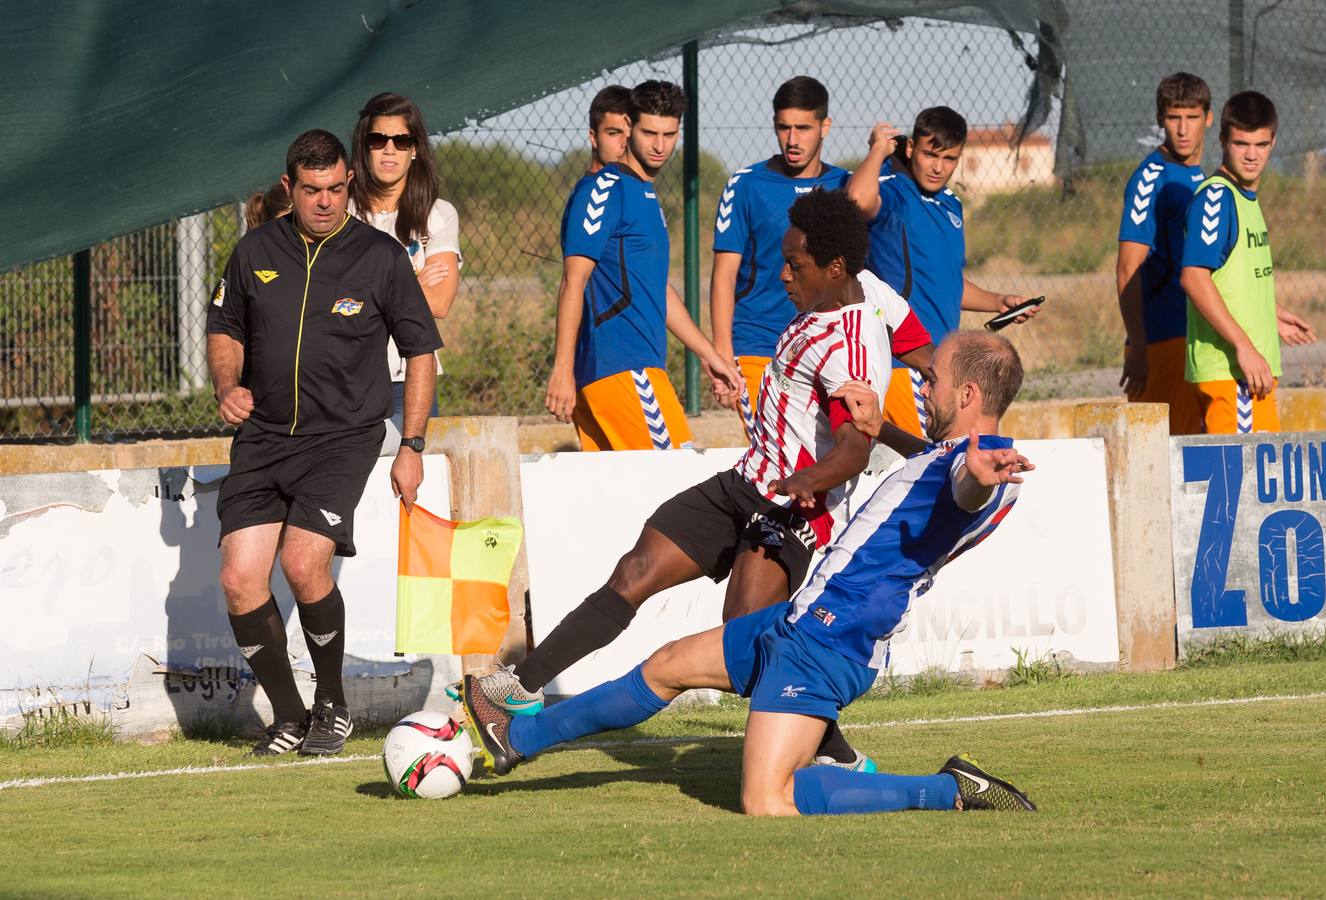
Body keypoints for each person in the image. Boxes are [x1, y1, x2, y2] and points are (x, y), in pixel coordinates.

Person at [463, 330, 1036, 818]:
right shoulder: (962, 455)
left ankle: (946, 789)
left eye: (931, 379)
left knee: (767, 801)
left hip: (827, 644)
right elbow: (942, 468)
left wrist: (979, 476)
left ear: (967, 393)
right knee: (665, 667)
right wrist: (885, 428)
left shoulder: (979, 468)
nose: (923, 386)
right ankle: (514, 739)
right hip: (800, 622)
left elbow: (965, 484)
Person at [473, 188, 932, 771]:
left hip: (795, 512)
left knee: (740, 644)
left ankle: (830, 749)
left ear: (835, 267)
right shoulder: (859, 291)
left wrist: (808, 478)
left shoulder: (850, 349)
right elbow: (920, 348)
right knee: (635, 570)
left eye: (796, 265)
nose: (783, 275)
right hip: (744, 482)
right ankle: (514, 688)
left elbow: (852, 449)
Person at [206, 129, 441, 756]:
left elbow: (421, 351)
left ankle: (332, 705)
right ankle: (288, 716)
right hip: (262, 439)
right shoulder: (253, 249)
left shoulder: (380, 256)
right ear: (290, 187)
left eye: (338, 189)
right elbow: (225, 327)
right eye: (313, 191)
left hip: (342, 440)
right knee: (238, 579)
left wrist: (412, 445)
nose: (327, 202)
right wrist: (228, 384)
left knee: (304, 563)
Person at [544, 80, 742, 450]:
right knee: (673, 483)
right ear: (629, 127)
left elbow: (655, 288)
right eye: (649, 132)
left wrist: (708, 354)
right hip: (621, 365)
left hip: (631, 367)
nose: (659, 145)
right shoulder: (604, 189)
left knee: (629, 498)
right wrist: (561, 369)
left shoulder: (644, 193)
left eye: (669, 134)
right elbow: (573, 282)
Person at [846, 107, 1038, 439]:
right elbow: (857, 201)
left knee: (931, 466)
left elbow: (947, 280)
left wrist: (998, 301)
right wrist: (878, 148)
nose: (938, 167)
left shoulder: (951, 204)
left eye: (949, 158)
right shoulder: (893, 191)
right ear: (910, 149)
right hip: (899, 363)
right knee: (930, 465)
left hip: (938, 369)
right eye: (930, 154)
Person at [709, 76, 850, 440]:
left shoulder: (846, 186)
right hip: (758, 347)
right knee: (776, 452)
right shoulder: (745, 184)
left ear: (825, 126)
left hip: (827, 349)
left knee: (823, 457)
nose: (792, 139)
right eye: (783, 127)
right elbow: (723, 275)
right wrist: (722, 352)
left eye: (803, 128)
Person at [1180, 91, 1315, 434]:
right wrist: (1244, 345)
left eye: (1261, 144)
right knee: (1239, 486)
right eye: (1241, 144)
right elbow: (1195, 277)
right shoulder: (1217, 196)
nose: (1252, 155)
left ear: (1273, 142)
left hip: (1249, 375)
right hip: (1232, 375)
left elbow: (1231, 279)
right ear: (1224, 140)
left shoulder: (1245, 197)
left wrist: (1269, 314)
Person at [349, 92, 460, 446]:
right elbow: (327, 302)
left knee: (410, 489)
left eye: (401, 141)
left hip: (410, 378)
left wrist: (367, 292)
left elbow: (440, 302)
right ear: (364, 147)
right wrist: (411, 285)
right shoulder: (341, 213)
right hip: (344, 378)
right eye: (378, 139)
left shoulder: (439, 214)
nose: (389, 150)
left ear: (415, 149)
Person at [1116, 73, 1212, 435]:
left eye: (1191, 117)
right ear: (1161, 120)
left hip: (1196, 340)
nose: (1183, 129)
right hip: (1161, 342)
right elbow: (1127, 269)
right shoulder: (1149, 178)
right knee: (1160, 458)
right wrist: (1139, 345)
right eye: (1174, 118)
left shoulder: (1199, 176)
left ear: (1208, 118)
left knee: (1195, 453)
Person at [586, 85, 631, 174]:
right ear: (594, 138)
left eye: (631, 133)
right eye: (613, 133)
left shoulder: (633, 185)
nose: (625, 143)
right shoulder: (590, 187)